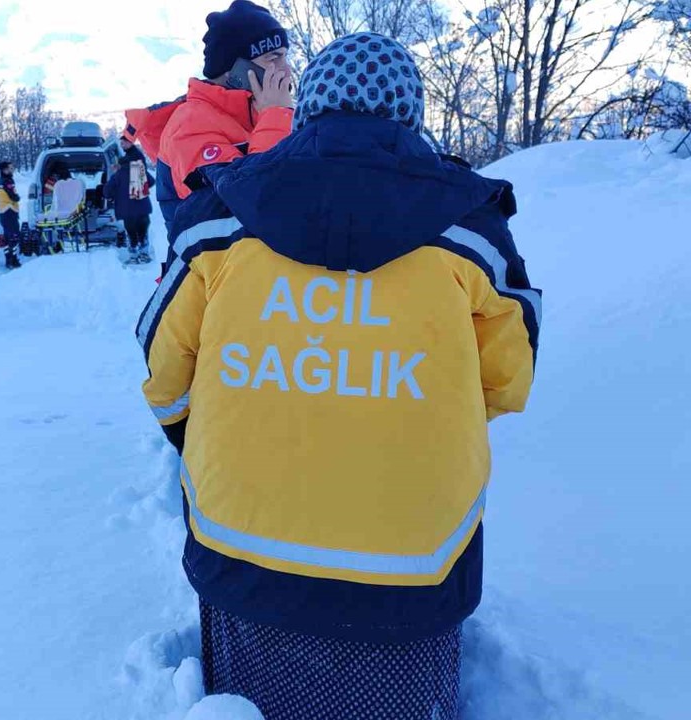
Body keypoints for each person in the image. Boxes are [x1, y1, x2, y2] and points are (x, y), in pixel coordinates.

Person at [136, 32, 541, 720]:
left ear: (310, 105)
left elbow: (162, 370)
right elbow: (508, 380)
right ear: (408, 114)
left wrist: (201, 435)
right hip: (416, 570)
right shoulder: (469, 231)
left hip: (241, 558)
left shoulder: (222, 217)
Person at [156, 0, 296, 281]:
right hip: (210, 286)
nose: (287, 69)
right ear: (234, 68)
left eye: (285, 56)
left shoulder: (259, 115)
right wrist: (276, 117)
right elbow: (247, 206)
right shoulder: (190, 124)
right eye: (273, 58)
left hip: (259, 278)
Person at [105, 138, 156, 262]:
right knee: (142, 232)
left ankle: (133, 256)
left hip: (127, 210)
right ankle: (144, 254)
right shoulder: (139, 169)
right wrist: (140, 186)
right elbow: (152, 181)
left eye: (124, 143)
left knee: (132, 233)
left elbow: (107, 192)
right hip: (142, 207)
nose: (122, 146)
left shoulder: (119, 174)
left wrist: (114, 194)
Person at [0, 161, 21, 269]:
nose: (12, 170)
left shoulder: (1, 181)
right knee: (14, 236)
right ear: (4, 170)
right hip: (9, 211)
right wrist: (17, 197)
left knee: (7, 236)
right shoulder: (7, 181)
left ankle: (8, 260)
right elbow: (14, 196)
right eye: (10, 168)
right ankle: (13, 260)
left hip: (3, 212)